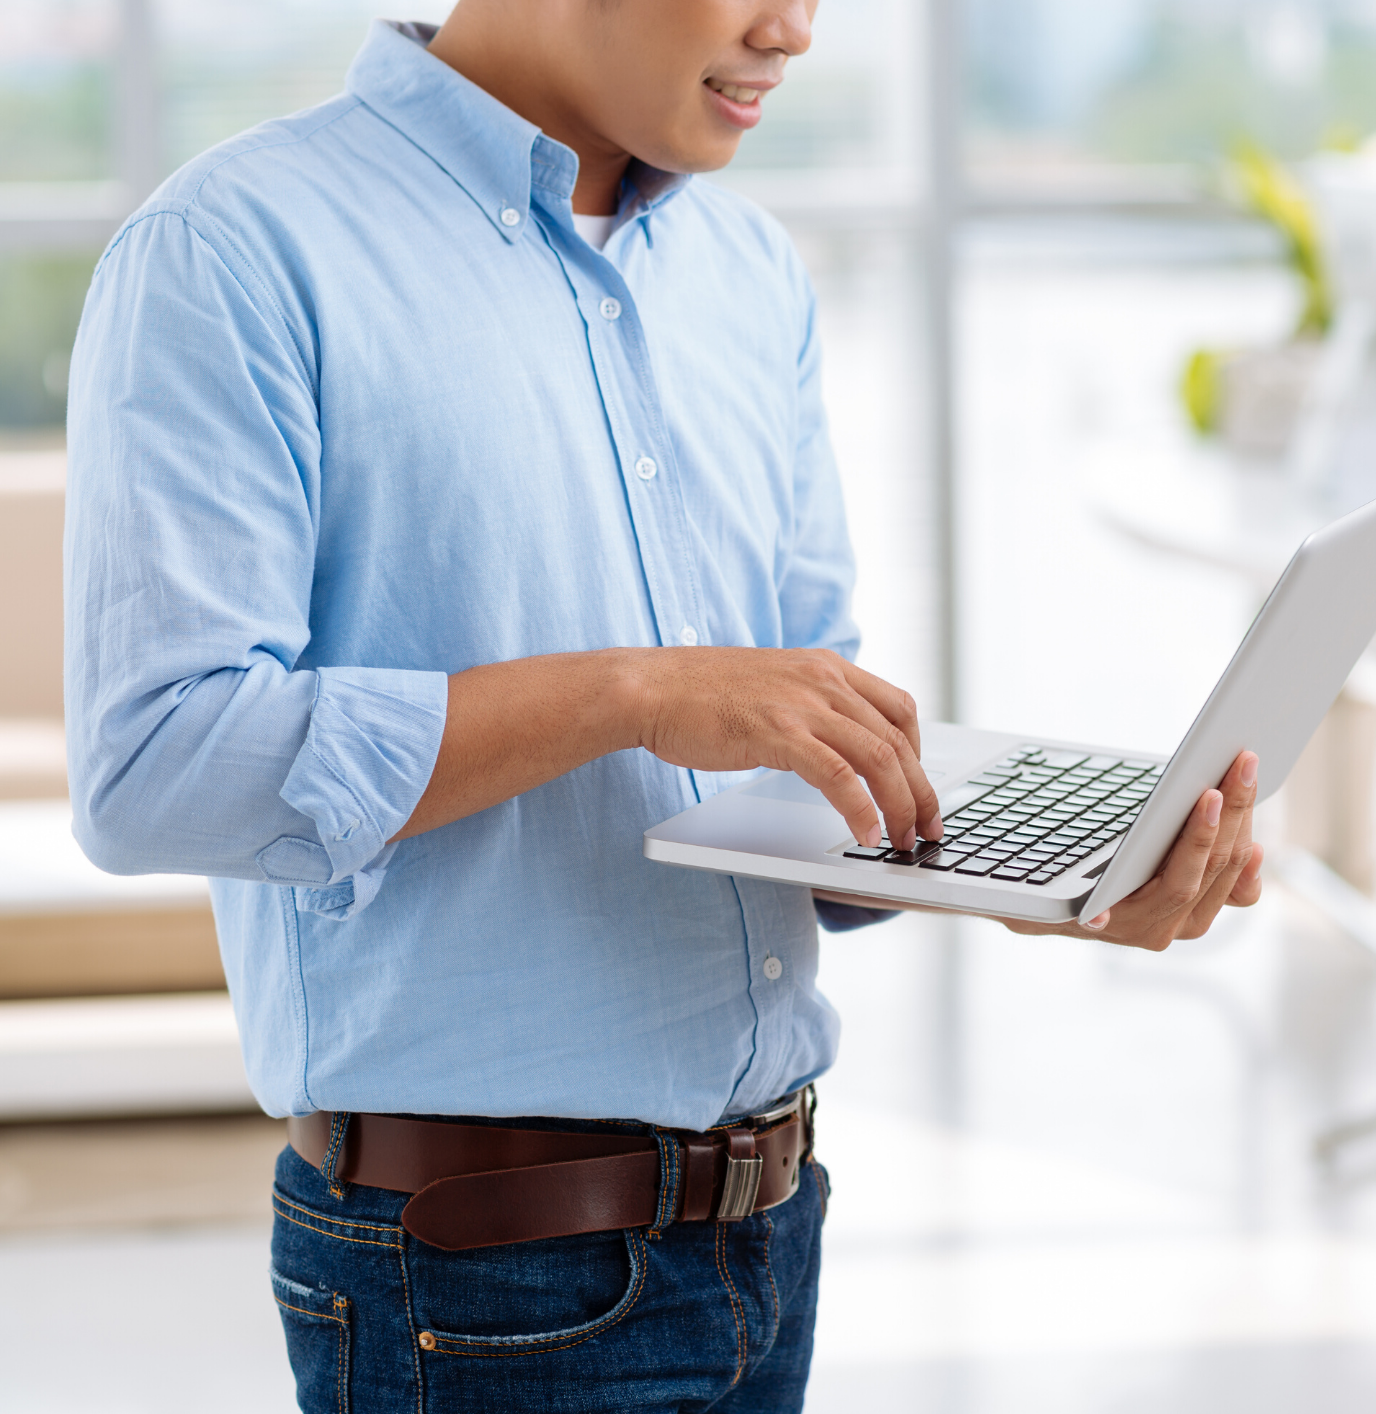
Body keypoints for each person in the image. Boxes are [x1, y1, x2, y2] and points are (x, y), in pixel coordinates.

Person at [63, 1, 1265, 1408]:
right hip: (478, 1276)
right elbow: (155, 764)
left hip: (770, 1231)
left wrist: (1027, 870)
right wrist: (630, 692)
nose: (795, 30)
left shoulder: (748, 276)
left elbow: (784, 767)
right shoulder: (235, 252)